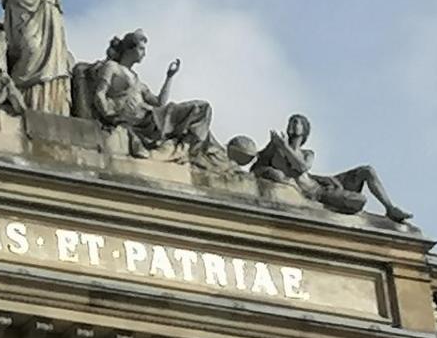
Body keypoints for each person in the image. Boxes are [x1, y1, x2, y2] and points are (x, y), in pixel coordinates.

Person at [74, 29, 227, 167]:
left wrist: (169, 77)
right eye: (141, 48)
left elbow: (159, 102)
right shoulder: (112, 67)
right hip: (139, 120)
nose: (144, 53)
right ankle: (190, 151)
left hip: (150, 116)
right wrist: (109, 115)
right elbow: (100, 94)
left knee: (200, 110)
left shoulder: (137, 80)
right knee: (199, 110)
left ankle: (191, 149)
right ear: (129, 49)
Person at [251, 113, 413, 222]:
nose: (292, 124)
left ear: (304, 131)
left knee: (367, 171)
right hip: (316, 195)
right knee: (360, 201)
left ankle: (390, 208)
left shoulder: (307, 153)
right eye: (291, 122)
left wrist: (285, 146)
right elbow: (256, 164)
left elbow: (301, 167)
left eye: (297, 122)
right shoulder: (275, 148)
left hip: (321, 187)